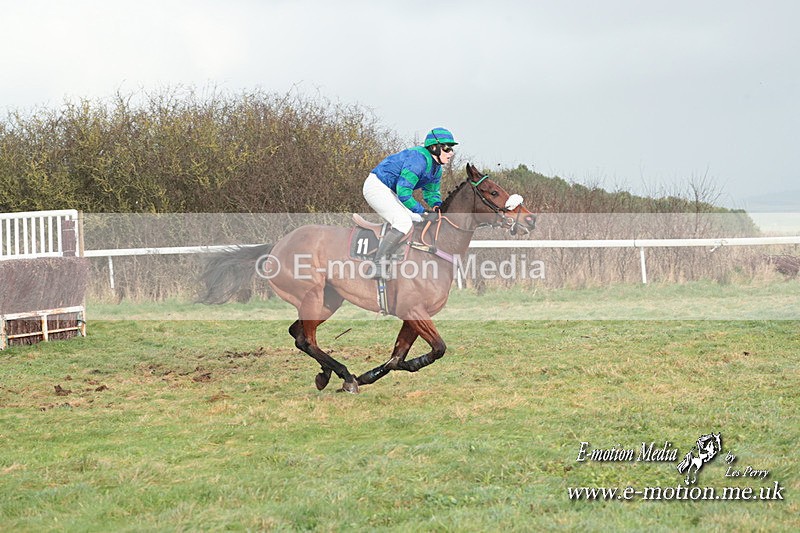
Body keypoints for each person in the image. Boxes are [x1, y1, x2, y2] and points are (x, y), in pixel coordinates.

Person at [362, 127, 457, 275]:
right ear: (434, 147)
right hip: (377, 187)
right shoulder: (418, 160)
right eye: (446, 148)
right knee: (403, 222)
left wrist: (437, 206)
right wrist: (422, 210)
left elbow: (431, 192)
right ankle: (377, 265)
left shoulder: (436, 168)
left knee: (418, 219)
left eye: (451, 148)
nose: (451, 153)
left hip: (390, 191)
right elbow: (404, 192)